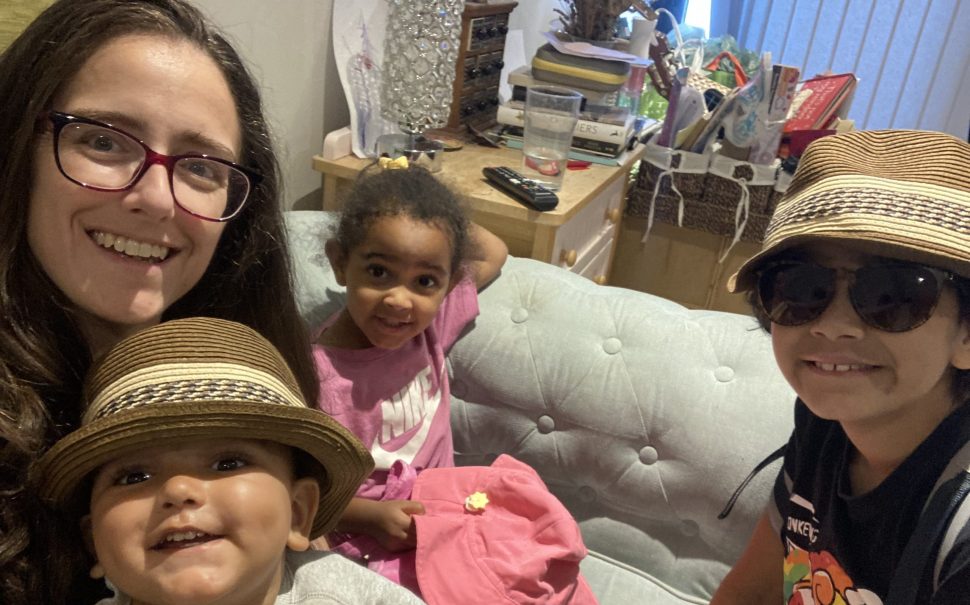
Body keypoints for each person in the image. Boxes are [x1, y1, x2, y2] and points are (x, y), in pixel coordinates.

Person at [0, 1, 318, 602]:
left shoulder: (246, 360)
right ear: (17, 147)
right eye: (102, 140)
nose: (159, 200)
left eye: (201, 167)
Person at [710, 129, 970, 604]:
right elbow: (751, 593)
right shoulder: (825, 427)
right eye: (801, 288)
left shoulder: (959, 530)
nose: (834, 326)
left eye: (893, 295)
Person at [30, 316, 427, 605]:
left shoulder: (350, 597)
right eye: (134, 475)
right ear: (94, 542)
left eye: (228, 464)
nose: (177, 489)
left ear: (297, 512)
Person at [313, 162, 508, 591]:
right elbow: (300, 488)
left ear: (448, 284)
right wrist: (372, 517)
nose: (400, 301)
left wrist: (425, 193)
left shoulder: (434, 322)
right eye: (379, 272)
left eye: (424, 280)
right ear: (340, 263)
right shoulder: (318, 376)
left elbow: (494, 249)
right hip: (363, 543)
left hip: (448, 516)